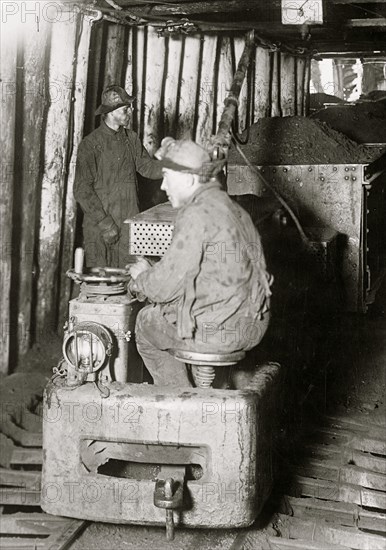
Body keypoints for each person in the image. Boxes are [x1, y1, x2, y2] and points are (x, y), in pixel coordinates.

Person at [128, 138, 273, 387]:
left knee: (145, 322)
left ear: (189, 179)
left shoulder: (195, 213)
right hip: (254, 322)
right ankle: (208, 390)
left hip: (220, 332)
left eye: (167, 177)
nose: (163, 186)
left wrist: (141, 278)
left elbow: (164, 286)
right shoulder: (231, 207)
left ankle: (180, 404)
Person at [74, 85, 162, 268]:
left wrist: (174, 166)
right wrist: (105, 223)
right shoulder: (90, 145)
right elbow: (82, 189)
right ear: (111, 112)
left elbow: (147, 167)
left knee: (130, 279)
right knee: (100, 285)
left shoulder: (132, 139)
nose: (130, 112)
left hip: (128, 223)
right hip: (99, 227)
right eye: (125, 109)